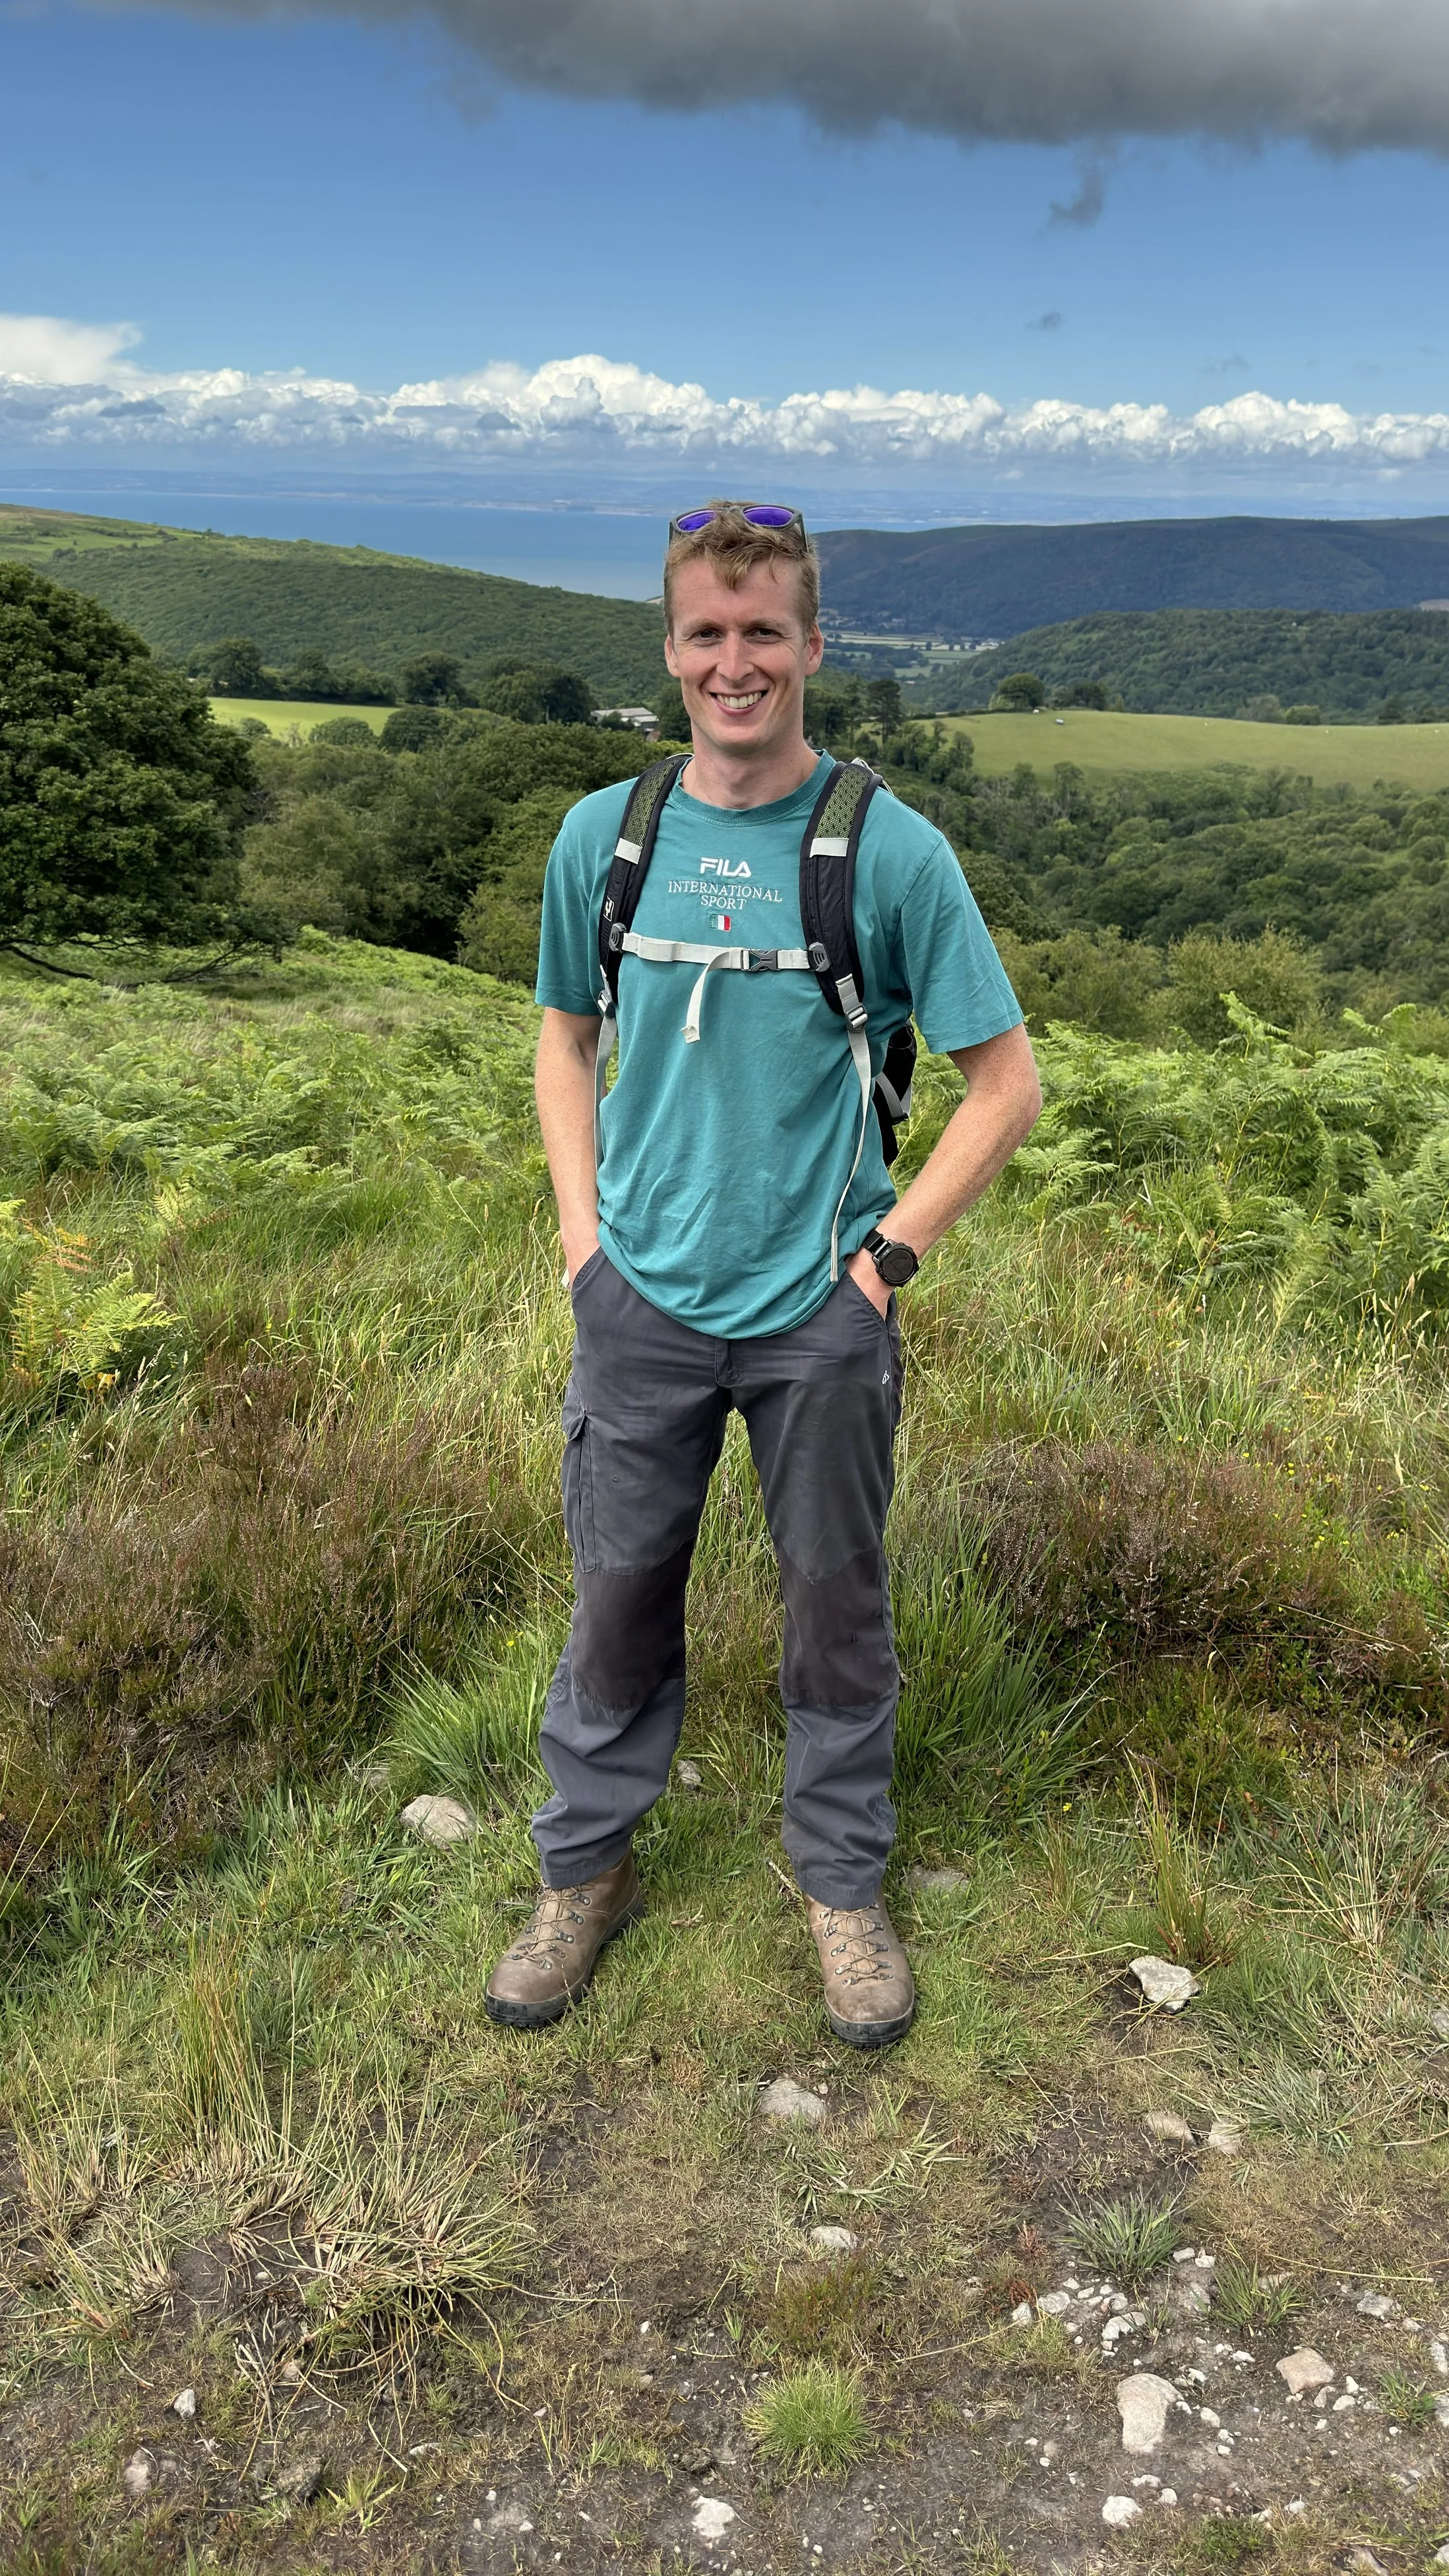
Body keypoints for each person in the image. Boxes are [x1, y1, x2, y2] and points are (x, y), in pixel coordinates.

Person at [484, 501, 1041, 2046]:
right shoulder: (607, 837)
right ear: (669, 650)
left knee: (834, 1607)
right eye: (706, 633)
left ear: (811, 645)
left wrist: (884, 1261)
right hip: (640, 1305)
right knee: (615, 1599)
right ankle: (583, 1871)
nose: (735, 663)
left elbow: (1006, 1081)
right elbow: (562, 1039)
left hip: (819, 1312)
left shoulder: (887, 849)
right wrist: (583, 1244)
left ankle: (841, 1885)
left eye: (763, 632)